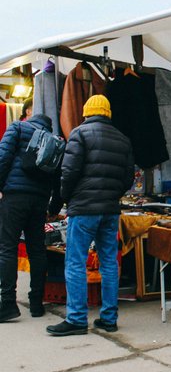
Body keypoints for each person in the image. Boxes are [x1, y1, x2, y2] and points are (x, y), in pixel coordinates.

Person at [46, 95, 134, 336]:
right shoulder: (123, 139)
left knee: (75, 262)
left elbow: (68, 172)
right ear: (107, 113)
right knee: (109, 262)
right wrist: (110, 195)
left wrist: (65, 198)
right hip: (110, 210)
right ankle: (109, 318)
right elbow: (127, 178)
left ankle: (76, 319)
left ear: (86, 112)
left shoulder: (79, 133)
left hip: (83, 209)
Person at [0, 112, 62, 322]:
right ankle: (36, 303)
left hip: (15, 197)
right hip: (39, 202)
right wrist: (54, 208)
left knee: (7, 248)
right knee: (37, 250)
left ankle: (8, 303)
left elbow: (3, 157)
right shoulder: (54, 140)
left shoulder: (17, 128)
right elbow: (58, 179)